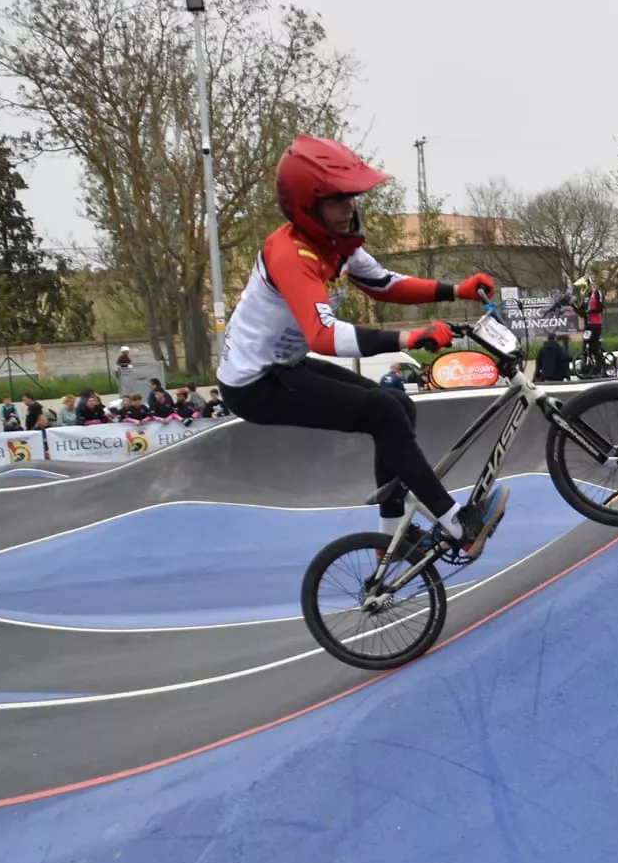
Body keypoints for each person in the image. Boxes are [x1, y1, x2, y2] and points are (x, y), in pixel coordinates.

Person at [216, 135, 504, 557]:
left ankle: (392, 540)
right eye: (336, 200)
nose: (349, 207)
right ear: (306, 206)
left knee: (396, 406)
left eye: (350, 197)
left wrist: (455, 288)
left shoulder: (339, 246)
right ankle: (459, 526)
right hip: (253, 385)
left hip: (286, 365)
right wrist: (408, 337)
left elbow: (385, 284)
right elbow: (324, 336)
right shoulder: (292, 254)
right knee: (384, 411)